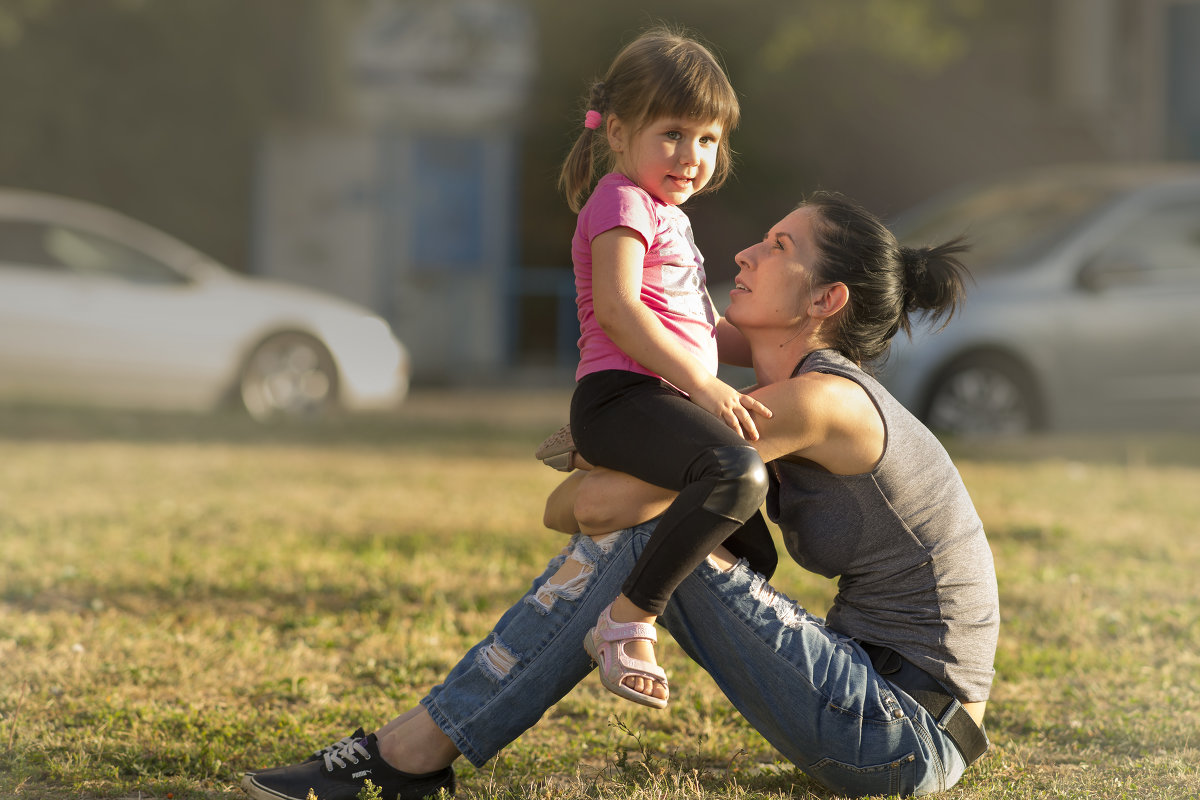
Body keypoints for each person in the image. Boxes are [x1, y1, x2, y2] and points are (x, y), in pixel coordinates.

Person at [241, 192, 1000, 800]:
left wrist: (586, 476)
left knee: (657, 525)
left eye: (779, 247)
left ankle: (412, 752)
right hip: (868, 702)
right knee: (673, 515)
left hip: (898, 731)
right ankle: (415, 746)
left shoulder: (821, 403)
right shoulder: (784, 395)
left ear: (826, 299)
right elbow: (669, 335)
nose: (744, 253)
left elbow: (594, 509)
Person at [556, 26, 773, 711]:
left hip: (657, 400)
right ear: (618, 134)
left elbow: (699, 328)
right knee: (735, 473)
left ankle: (609, 572)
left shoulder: (668, 217)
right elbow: (621, 312)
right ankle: (627, 619)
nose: (693, 155)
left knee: (755, 553)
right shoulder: (620, 201)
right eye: (674, 134)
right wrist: (706, 386)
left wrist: (790, 343)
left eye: (709, 139)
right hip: (621, 398)